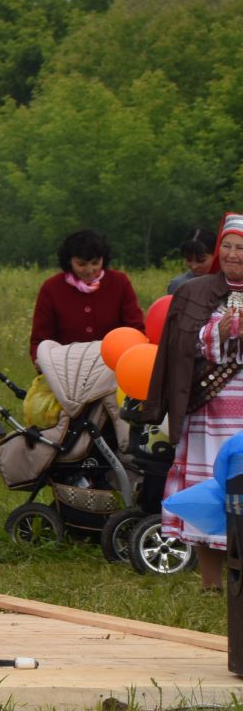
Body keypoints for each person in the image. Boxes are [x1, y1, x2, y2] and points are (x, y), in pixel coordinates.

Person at [147, 213, 243, 592]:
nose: (234, 254)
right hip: (208, 408)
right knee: (207, 485)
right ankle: (210, 582)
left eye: (241, 248)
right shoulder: (194, 292)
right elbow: (179, 349)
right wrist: (217, 332)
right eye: (229, 247)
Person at [28, 229, 142, 358]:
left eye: (95, 263)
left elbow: (135, 329)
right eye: (81, 264)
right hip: (67, 366)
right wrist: (40, 360)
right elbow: (41, 339)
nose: (89, 270)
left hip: (113, 363)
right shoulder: (51, 288)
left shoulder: (119, 282)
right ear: (69, 261)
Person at [168, 228, 218, 295]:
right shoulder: (178, 285)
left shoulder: (229, 283)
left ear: (216, 254)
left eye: (201, 260)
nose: (194, 267)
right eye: (188, 260)